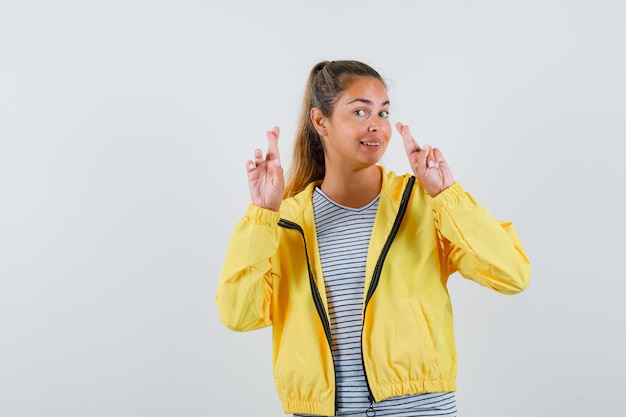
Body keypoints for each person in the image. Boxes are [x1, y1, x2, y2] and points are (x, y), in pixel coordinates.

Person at [216, 60, 530, 417]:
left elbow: (513, 274)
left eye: (383, 113)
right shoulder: (285, 223)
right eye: (360, 111)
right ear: (321, 122)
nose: (376, 126)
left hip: (419, 408)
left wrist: (447, 195)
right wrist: (263, 214)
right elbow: (237, 315)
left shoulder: (421, 202)